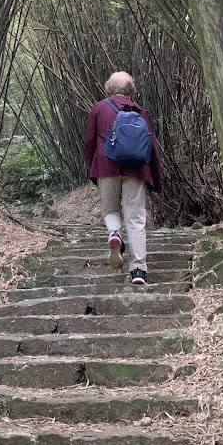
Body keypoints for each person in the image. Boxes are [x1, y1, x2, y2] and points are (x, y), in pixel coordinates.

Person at [84, 71, 163, 285]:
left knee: (111, 210)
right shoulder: (139, 111)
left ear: (109, 87)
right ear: (131, 90)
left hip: (106, 166)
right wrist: (155, 177)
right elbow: (151, 146)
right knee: (136, 219)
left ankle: (114, 233)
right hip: (135, 170)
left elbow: (90, 142)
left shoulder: (99, 109)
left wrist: (93, 168)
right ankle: (138, 270)